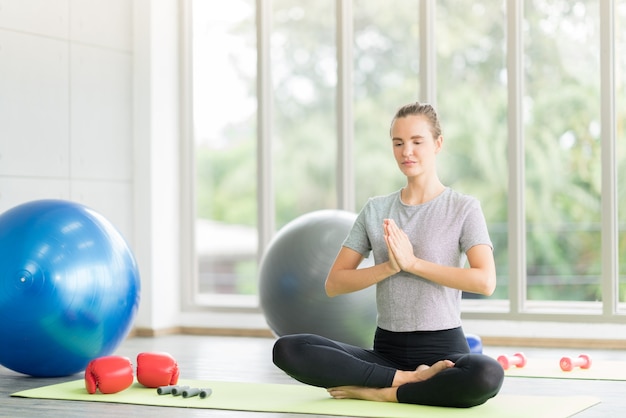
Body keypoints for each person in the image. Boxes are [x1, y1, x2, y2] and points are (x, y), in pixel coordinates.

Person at [271, 101, 504, 408]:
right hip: (386, 353)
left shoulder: (463, 208)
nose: (407, 151)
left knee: (487, 375)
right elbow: (335, 283)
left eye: (417, 142)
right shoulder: (376, 209)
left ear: (437, 144)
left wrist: (413, 264)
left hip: (445, 348)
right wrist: (388, 268)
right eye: (398, 143)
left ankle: (381, 391)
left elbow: (485, 281)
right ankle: (404, 381)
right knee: (288, 349)